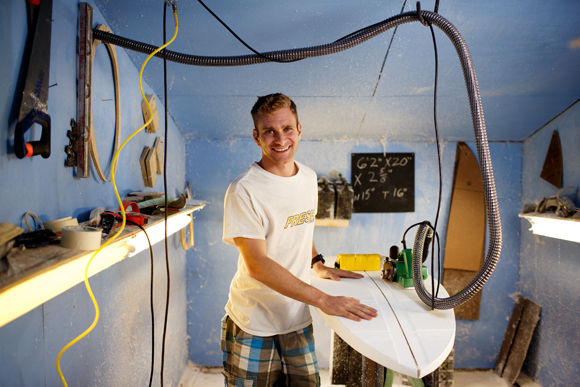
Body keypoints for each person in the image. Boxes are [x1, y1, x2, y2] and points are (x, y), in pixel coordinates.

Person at [221, 93, 377, 387]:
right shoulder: (244, 190)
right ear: (257, 137)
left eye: (287, 129)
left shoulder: (307, 177)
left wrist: (318, 263)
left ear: (299, 129)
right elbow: (257, 264)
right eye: (269, 131)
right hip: (254, 320)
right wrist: (323, 300)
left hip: (296, 317)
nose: (280, 139)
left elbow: (300, 227)